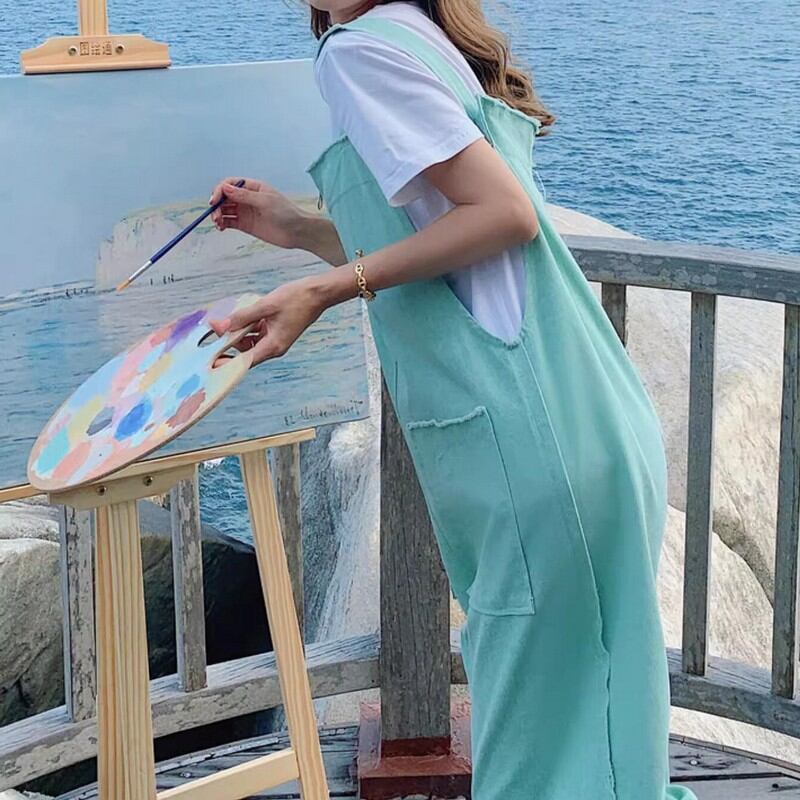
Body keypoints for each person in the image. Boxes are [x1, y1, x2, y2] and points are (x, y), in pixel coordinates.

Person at [208, 2, 696, 798]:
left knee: (539, 760)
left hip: (530, 442)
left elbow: (502, 215)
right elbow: (442, 232)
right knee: (607, 741)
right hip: (584, 417)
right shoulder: (418, 32)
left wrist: (325, 290)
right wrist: (298, 229)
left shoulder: (356, 52)